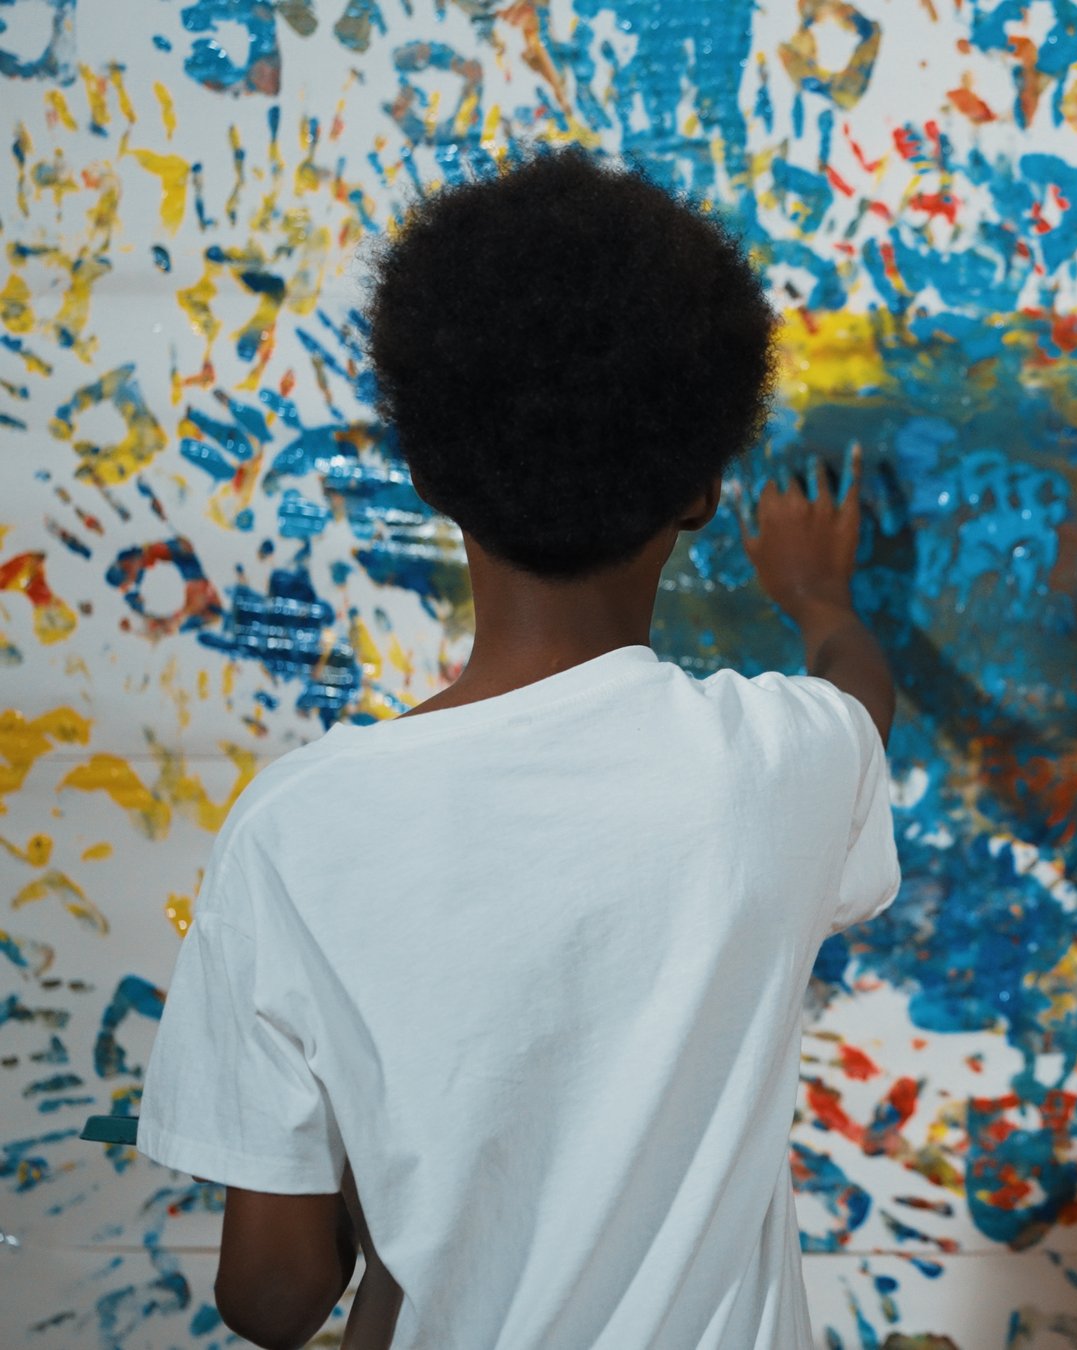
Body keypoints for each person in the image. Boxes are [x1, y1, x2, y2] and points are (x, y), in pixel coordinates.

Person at [136, 150, 899, 1350]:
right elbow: (858, 701)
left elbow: (272, 1301)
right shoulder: (776, 766)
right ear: (701, 492)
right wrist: (818, 598)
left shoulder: (300, 830)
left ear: (433, 473)